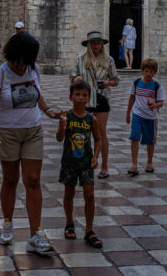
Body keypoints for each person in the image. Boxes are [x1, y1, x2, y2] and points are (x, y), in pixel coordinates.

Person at [0, 32, 61, 253]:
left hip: (33, 130)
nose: (24, 66)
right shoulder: (0, 74)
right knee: (10, 180)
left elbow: (37, 94)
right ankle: (7, 224)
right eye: (23, 60)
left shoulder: (33, 69)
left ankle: (35, 233)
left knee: (33, 180)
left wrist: (48, 111)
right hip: (7, 131)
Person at [56, 80, 103, 249]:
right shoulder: (67, 116)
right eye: (77, 94)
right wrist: (62, 127)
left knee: (89, 195)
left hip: (86, 162)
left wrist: (96, 156)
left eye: (84, 95)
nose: (81, 98)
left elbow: (98, 139)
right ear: (71, 97)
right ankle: (69, 223)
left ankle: (89, 230)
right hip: (69, 162)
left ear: (89, 98)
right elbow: (59, 138)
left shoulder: (92, 119)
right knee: (69, 193)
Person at [70, 31, 119, 179]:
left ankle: (104, 166)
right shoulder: (81, 59)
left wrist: (107, 83)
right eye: (93, 43)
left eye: (98, 43)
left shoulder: (109, 60)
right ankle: (83, 164)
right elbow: (72, 76)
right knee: (82, 132)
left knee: (101, 132)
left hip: (102, 98)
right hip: (85, 99)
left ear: (102, 44)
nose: (96, 45)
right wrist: (76, 78)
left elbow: (116, 80)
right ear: (89, 45)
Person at [125, 58, 165, 176]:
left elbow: (161, 102)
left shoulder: (157, 86)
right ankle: (134, 164)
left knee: (150, 141)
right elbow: (131, 98)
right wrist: (128, 113)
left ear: (154, 72)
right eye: (146, 71)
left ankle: (149, 162)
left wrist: (155, 105)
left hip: (151, 117)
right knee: (134, 138)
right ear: (142, 71)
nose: (148, 74)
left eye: (151, 72)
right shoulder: (136, 83)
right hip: (137, 114)